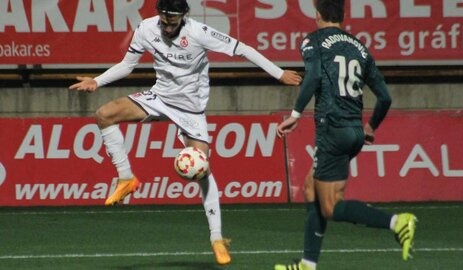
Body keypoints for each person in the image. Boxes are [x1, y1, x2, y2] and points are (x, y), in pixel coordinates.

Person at [69, 0, 302, 266]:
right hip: (159, 97)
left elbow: (242, 49)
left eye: (173, 21)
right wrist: (96, 81)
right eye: (164, 20)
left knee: (203, 171)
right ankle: (126, 178)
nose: (167, 27)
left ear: (183, 16)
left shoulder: (199, 33)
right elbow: (127, 65)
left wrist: (279, 73)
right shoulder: (146, 29)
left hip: (191, 111)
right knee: (104, 114)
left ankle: (216, 238)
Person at [273, 1, 417, 269]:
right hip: (353, 131)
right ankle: (307, 264)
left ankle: (397, 222)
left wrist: (294, 114)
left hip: (332, 129)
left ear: (316, 14)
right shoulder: (359, 47)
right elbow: (385, 97)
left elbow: (314, 75)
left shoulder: (313, 40)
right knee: (310, 187)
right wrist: (371, 126)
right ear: (342, 14)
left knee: (330, 206)